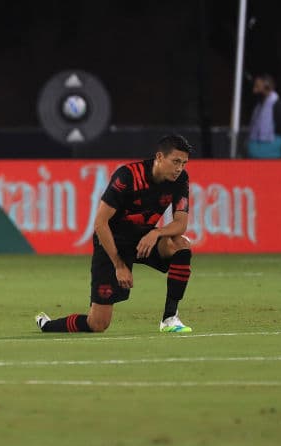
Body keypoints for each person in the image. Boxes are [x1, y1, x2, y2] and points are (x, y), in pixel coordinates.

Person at [36, 133, 195, 335]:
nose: (179, 168)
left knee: (181, 245)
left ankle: (170, 318)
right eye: (175, 161)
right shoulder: (127, 176)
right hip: (111, 241)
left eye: (184, 163)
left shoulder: (180, 180)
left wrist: (156, 233)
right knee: (98, 324)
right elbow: (100, 223)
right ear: (159, 157)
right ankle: (47, 325)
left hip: (142, 239)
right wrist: (119, 265)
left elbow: (181, 223)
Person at [247, 73, 281, 159]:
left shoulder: (278, 106)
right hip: (254, 159)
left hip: (272, 159)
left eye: (257, 87)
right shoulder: (259, 106)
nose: (254, 91)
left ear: (267, 86)